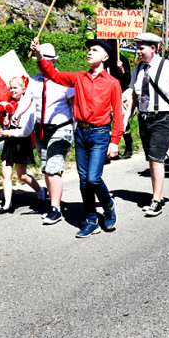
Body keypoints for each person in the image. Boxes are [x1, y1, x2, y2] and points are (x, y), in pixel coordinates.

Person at [30, 37, 123, 238]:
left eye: (95, 50)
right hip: (80, 132)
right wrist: (38, 55)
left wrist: (115, 140)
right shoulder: (79, 77)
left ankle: (108, 205)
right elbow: (51, 73)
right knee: (83, 181)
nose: (89, 52)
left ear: (105, 57)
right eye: (89, 50)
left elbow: (118, 114)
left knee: (93, 178)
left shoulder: (113, 83)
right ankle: (91, 219)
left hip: (99, 134)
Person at [125, 33, 169, 217]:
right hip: (144, 118)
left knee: (156, 158)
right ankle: (156, 195)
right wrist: (126, 117)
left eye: (142, 48)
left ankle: (157, 200)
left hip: (164, 117)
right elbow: (135, 96)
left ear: (153, 48)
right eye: (138, 48)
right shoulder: (138, 69)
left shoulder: (168, 67)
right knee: (151, 159)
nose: (138, 51)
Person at [14, 43, 74, 225]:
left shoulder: (64, 81)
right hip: (41, 129)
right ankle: (52, 203)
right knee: (46, 168)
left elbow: (73, 104)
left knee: (53, 168)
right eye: (38, 60)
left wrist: (77, 127)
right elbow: (27, 100)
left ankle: (56, 209)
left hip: (61, 127)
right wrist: (17, 113)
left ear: (53, 61)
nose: (40, 64)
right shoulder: (33, 81)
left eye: (44, 60)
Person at [0, 76, 43, 214]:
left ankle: (40, 192)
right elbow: (9, 124)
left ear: (24, 89)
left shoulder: (29, 106)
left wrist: (9, 133)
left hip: (22, 141)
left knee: (22, 175)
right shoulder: (8, 105)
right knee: (6, 172)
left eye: (15, 88)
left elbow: (26, 131)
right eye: (11, 88)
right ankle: (7, 203)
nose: (12, 90)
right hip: (10, 140)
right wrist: (6, 123)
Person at [105, 39, 134, 159]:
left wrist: (121, 69)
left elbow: (127, 80)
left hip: (120, 94)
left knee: (121, 121)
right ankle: (107, 150)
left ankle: (129, 146)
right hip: (106, 94)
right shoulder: (105, 62)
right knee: (106, 122)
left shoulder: (123, 60)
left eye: (113, 44)